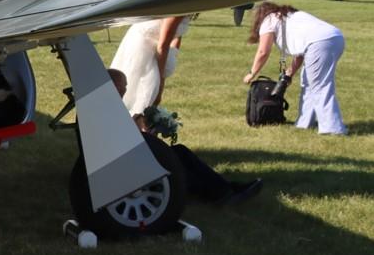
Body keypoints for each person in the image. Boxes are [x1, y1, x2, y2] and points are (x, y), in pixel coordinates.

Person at [107, 68, 261, 204]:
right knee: (176, 164)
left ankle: (226, 187)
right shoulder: (108, 110)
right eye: (120, 86)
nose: (124, 90)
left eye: (124, 86)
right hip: (128, 162)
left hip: (135, 153)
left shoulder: (113, 106)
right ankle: (219, 192)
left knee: (180, 151)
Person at [244, 2, 347, 135]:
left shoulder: (268, 20)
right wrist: (289, 74)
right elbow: (300, 53)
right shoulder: (292, 16)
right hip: (334, 38)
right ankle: (304, 123)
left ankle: (333, 128)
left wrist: (252, 73)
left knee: (320, 86)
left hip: (320, 42)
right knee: (308, 83)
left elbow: (263, 51)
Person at [109, 15, 190, 115]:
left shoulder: (189, 7)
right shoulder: (178, 8)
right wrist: (160, 86)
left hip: (156, 48)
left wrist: (172, 56)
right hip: (143, 49)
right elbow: (163, 45)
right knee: (141, 94)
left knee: (149, 99)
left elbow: (176, 35)